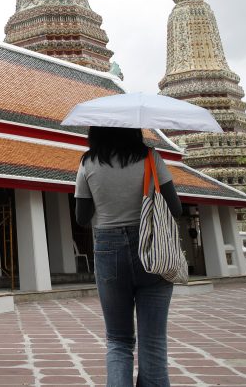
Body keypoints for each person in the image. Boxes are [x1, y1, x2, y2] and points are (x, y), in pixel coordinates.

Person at [74, 126, 181, 387]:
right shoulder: (149, 156)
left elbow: (81, 217)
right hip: (153, 247)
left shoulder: (88, 162)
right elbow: (175, 208)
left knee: (118, 340)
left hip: (109, 247)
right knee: (153, 340)